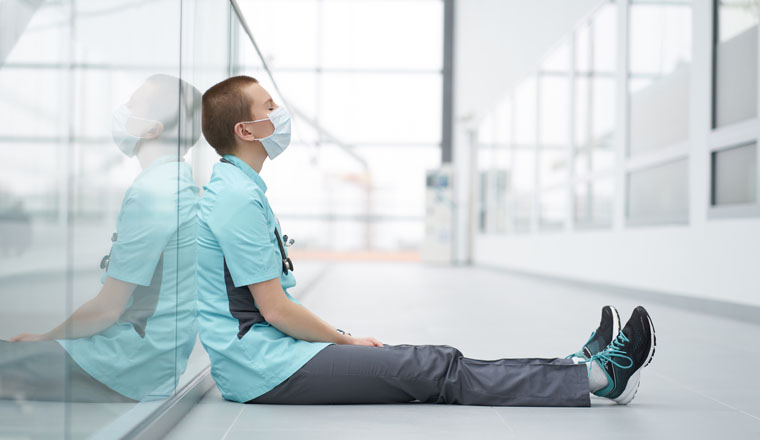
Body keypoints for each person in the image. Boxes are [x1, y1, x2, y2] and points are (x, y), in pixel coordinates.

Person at [196, 75, 656, 407]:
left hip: (269, 355)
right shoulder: (237, 199)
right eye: (268, 106)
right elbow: (275, 309)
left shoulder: (240, 189)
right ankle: (599, 377)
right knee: (433, 368)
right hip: (261, 367)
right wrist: (346, 342)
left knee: (427, 362)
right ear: (246, 130)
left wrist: (342, 342)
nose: (279, 112)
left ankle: (574, 368)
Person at [0, 74, 202, 402]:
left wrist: (46, 339)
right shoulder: (177, 184)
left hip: (124, 366)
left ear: (154, 129)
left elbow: (107, 309)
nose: (123, 111)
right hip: (149, 364)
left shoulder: (154, 193)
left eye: (133, 105)